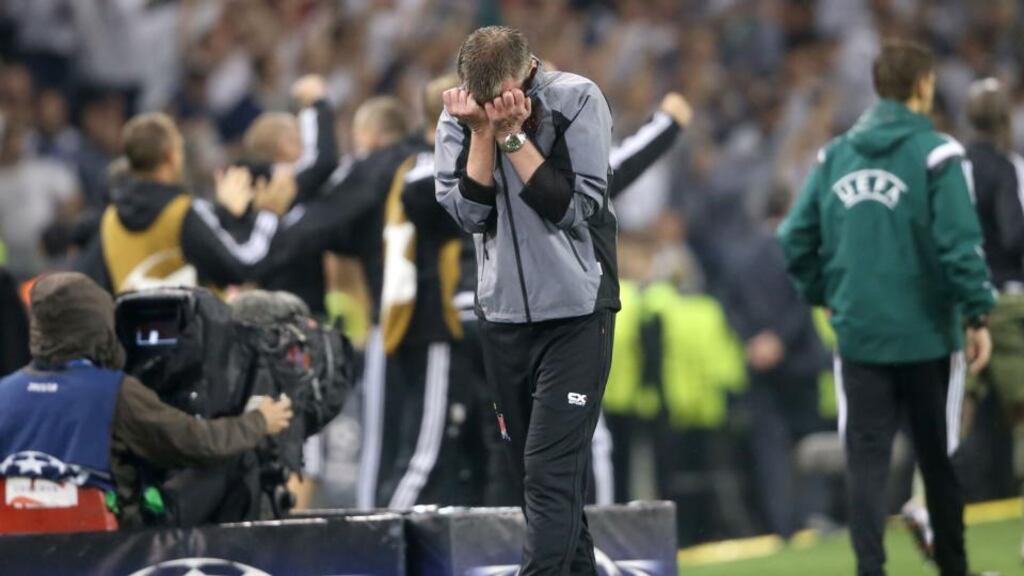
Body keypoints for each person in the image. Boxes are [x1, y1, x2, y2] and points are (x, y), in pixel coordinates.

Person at [778, 40, 995, 576]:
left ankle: (870, 570)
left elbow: (793, 238)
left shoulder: (834, 157)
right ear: (923, 85)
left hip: (860, 339)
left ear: (879, 86)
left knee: (867, 466)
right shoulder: (939, 154)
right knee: (937, 462)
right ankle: (953, 567)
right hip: (928, 335)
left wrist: (823, 294)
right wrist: (976, 313)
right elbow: (960, 245)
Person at [436, 26, 617, 574]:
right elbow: (469, 216)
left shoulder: (577, 98)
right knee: (536, 483)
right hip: (503, 318)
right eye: (481, 99)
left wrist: (515, 139)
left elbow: (575, 209)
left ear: (527, 71)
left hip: (577, 314)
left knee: (548, 475)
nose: (490, 108)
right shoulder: (458, 117)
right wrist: (482, 136)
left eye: (501, 98)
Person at [0, 272, 293, 527]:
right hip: (110, 549)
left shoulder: (5, 391)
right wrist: (258, 422)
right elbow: (198, 443)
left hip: (17, 548)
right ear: (99, 323)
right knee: (234, 457)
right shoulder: (114, 392)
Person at [77, 77, 332, 294]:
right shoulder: (182, 212)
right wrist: (268, 214)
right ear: (171, 156)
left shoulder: (110, 219)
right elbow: (241, 264)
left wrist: (224, 214)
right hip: (190, 345)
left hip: (134, 345)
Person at [721, 186, 831, 538]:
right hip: (798, 364)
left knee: (770, 451)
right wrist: (780, 340)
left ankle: (781, 526)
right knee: (810, 446)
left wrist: (754, 341)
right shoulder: (798, 249)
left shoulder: (739, 254)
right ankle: (812, 517)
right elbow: (802, 300)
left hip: (759, 367)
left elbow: (727, 304)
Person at [962, 77, 1024, 558]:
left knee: (950, 412)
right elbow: (1013, 231)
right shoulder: (1007, 169)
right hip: (1003, 305)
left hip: (958, 303)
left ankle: (925, 502)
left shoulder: (950, 166)